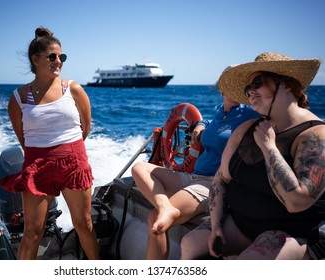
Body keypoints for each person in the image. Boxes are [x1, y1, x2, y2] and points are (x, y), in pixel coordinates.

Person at [180, 52, 325, 260]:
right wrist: (216, 226)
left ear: (287, 85)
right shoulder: (246, 129)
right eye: (248, 89)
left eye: (257, 83)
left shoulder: (316, 136)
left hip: (293, 233)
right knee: (190, 244)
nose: (251, 93)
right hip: (241, 223)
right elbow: (220, 180)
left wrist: (269, 147)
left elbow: (297, 202)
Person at [131, 70, 260, 259]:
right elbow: (210, 121)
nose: (237, 91)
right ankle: (165, 205)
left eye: (241, 87)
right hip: (193, 177)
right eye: (231, 86)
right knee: (139, 168)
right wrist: (200, 125)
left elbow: (276, 118)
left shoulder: (249, 113)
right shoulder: (220, 112)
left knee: (154, 218)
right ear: (222, 88)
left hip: (212, 184)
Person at [0, 27, 99, 259]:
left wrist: (67, 151)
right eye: (52, 56)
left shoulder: (73, 89)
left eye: (61, 57)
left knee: (84, 224)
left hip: (73, 163)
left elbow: (85, 127)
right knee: (32, 232)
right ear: (35, 59)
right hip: (38, 166)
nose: (58, 61)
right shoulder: (18, 98)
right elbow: (22, 138)